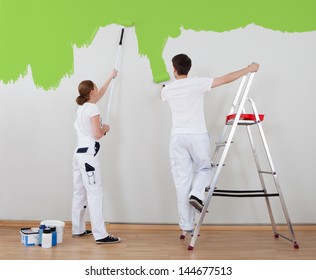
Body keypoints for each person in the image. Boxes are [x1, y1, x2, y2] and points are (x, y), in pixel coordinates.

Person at [161, 54, 259, 235]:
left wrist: (165, 87)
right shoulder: (198, 83)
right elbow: (226, 79)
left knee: (182, 181)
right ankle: (197, 194)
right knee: (205, 170)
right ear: (188, 68)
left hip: (177, 137)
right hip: (198, 135)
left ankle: (187, 227)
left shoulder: (168, 90)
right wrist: (248, 69)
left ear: (174, 69)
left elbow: (162, 91)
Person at [72, 69, 121, 244]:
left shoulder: (83, 107)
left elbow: (100, 94)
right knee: (95, 193)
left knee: (79, 191)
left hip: (78, 155)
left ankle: (77, 229)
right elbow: (98, 134)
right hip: (88, 158)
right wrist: (106, 128)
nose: (98, 89)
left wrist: (110, 76)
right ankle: (100, 234)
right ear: (91, 92)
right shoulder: (93, 108)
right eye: (95, 87)